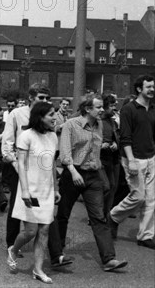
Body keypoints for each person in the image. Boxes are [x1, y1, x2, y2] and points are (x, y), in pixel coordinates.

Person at [54, 94, 128, 271]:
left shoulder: (100, 124)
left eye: (102, 107)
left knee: (99, 217)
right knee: (63, 214)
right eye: (99, 107)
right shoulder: (71, 125)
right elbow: (64, 154)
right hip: (73, 173)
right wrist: (73, 172)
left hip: (93, 174)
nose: (102, 110)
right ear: (88, 109)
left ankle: (109, 259)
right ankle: (57, 255)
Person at [7, 102, 59, 283]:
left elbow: (52, 163)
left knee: (44, 230)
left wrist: (56, 188)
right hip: (30, 189)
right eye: (51, 114)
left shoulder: (53, 137)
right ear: (40, 116)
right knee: (30, 231)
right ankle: (13, 249)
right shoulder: (26, 136)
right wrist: (25, 191)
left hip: (47, 190)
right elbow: (20, 164)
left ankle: (38, 269)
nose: (55, 118)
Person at [110, 75, 155, 249]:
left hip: (151, 157)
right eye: (148, 87)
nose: (152, 89)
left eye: (153, 87)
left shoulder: (152, 108)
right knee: (138, 196)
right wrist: (131, 161)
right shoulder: (129, 109)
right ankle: (113, 217)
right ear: (139, 89)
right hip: (133, 158)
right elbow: (125, 138)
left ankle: (145, 235)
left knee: (151, 199)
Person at [101, 95, 120, 219]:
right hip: (100, 158)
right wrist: (101, 144)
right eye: (112, 106)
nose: (114, 108)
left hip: (112, 158)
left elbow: (117, 137)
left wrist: (115, 143)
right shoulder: (98, 121)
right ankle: (97, 213)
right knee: (105, 186)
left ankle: (106, 213)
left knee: (112, 186)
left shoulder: (113, 122)